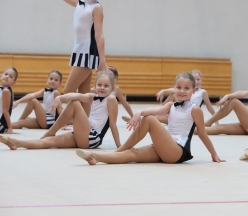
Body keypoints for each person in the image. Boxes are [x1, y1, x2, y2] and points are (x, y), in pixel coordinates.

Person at [75, 72, 224, 165]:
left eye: (186, 88)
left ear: (194, 90)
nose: (182, 91)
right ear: (174, 88)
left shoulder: (195, 109)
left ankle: (119, 149)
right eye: (179, 87)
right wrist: (140, 112)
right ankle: (95, 156)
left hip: (177, 151)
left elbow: (203, 134)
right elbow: (155, 109)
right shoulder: (171, 105)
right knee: (131, 155)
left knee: (150, 119)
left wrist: (214, 154)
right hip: (163, 147)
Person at [0, 72, 120, 150]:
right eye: (99, 85)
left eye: (106, 86)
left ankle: (50, 131)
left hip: (93, 138)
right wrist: (60, 98)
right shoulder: (92, 96)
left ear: (112, 88)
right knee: (49, 142)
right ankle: (17, 143)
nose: (102, 88)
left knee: (75, 103)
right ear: (95, 86)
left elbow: (113, 125)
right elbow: (75, 94)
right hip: (82, 134)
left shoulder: (111, 99)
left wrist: (120, 147)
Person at [57, 0, 110, 114]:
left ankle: (76, 123)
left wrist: (102, 60)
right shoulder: (79, 3)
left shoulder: (97, 7)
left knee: (68, 91)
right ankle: (86, 126)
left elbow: (99, 35)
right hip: (79, 49)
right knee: (84, 91)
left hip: (88, 51)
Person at [151, 69, 218, 125]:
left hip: (188, 117)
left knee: (157, 118)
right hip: (181, 111)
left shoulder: (203, 92)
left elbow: (210, 108)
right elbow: (174, 90)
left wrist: (216, 120)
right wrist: (163, 91)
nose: (196, 82)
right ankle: (158, 111)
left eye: (198, 79)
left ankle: (155, 114)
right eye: (194, 80)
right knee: (173, 95)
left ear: (201, 80)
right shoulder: (188, 90)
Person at [0, 67, 18, 134]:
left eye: (10, 76)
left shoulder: (6, 91)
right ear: (1, 76)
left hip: (1, 124)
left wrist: (10, 128)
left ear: (14, 82)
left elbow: (6, 110)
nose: (7, 77)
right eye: (6, 74)